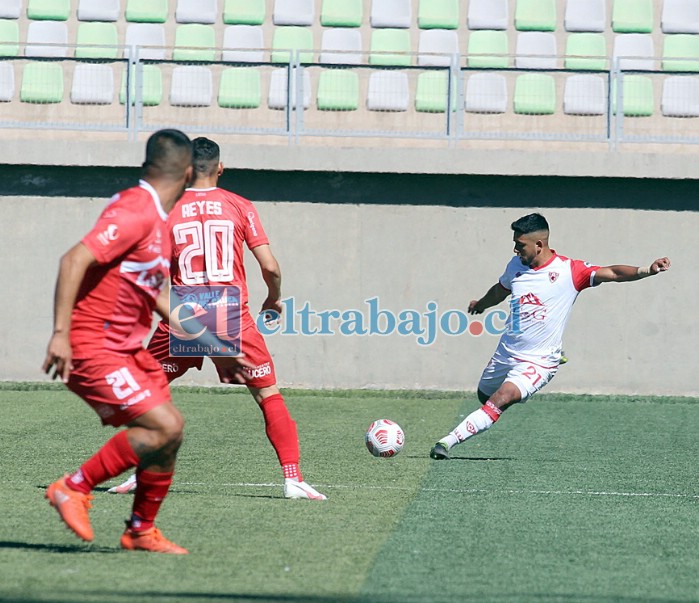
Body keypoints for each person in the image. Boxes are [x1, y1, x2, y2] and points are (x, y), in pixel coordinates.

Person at [42, 129, 251, 555]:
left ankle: (140, 531)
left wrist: (217, 348)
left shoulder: (158, 217)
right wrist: (61, 335)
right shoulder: (136, 210)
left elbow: (158, 297)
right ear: (190, 172)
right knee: (163, 425)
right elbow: (73, 259)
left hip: (126, 349)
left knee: (170, 433)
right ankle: (73, 487)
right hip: (92, 346)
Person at [108, 137, 327, 500]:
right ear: (220, 168)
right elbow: (270, 267)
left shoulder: (166, 208)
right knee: (267, 394)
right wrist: (273, 300)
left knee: (148, 393)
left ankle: (141, 473)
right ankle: (293, 479)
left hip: (183, 312)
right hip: (229, 312)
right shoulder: (240, 206)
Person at [430, 212, 670, 460]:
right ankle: (519, 388)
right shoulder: (516, 267)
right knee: (485, 396)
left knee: (502, 398)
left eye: (520, 245)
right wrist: (481, 304)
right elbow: (500, 290)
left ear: (539, 245)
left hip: (539, 361)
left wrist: (646, 270)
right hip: (507, 352)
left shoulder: (569, 270)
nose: (515, 250)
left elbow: (613, 273)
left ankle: (445, 443)